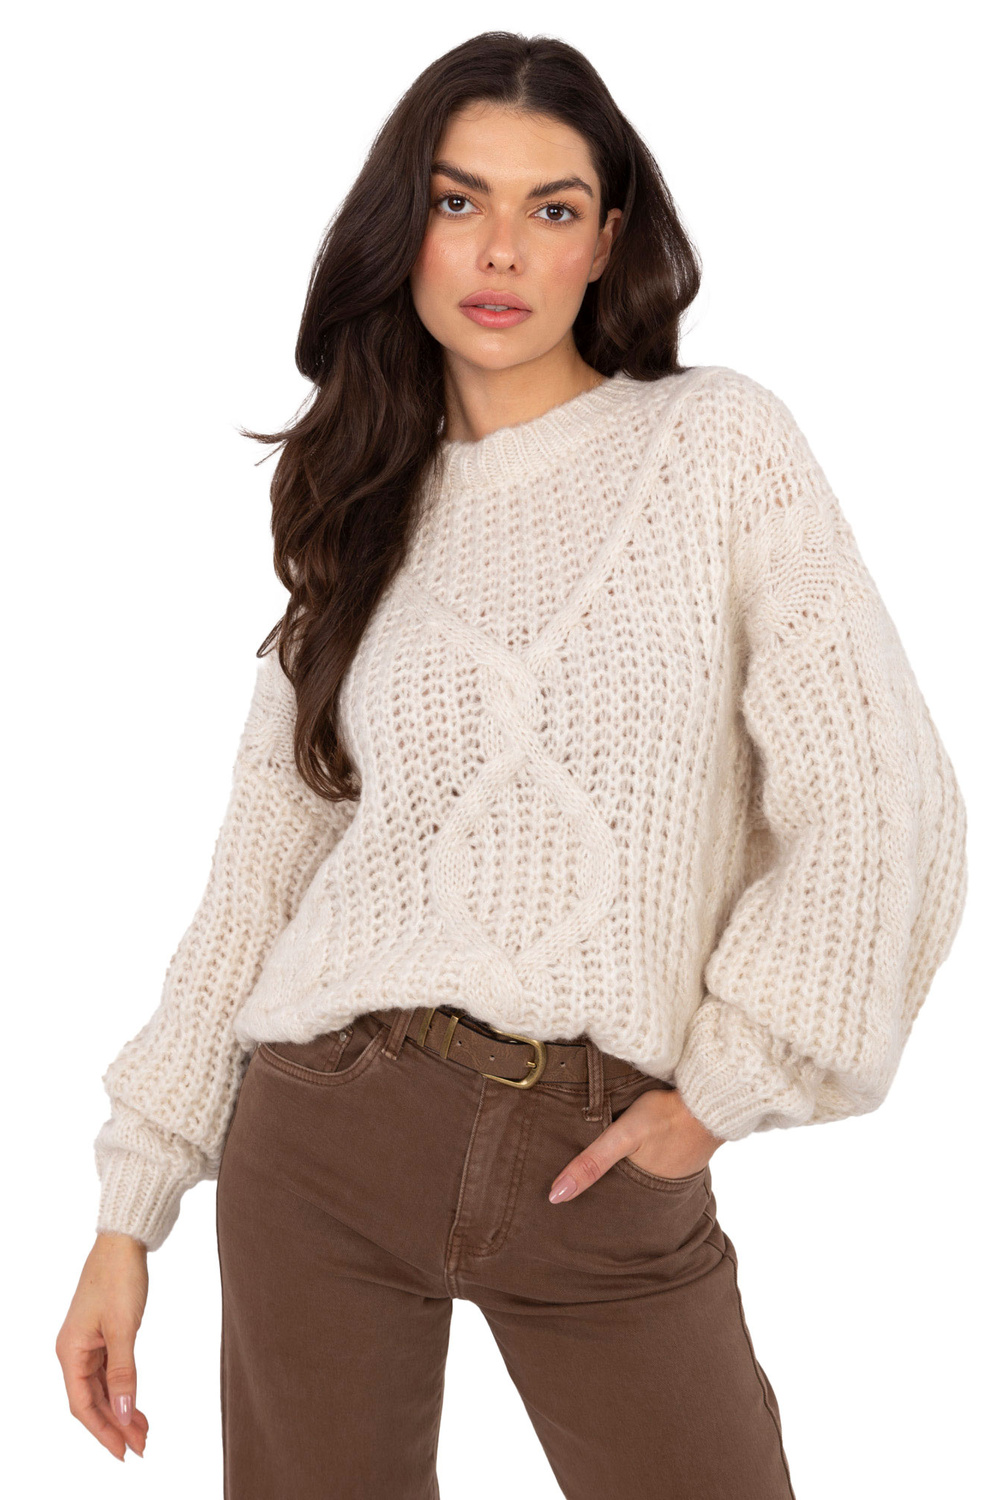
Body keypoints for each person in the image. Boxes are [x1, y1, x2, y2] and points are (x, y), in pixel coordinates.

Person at [55, 30, 968, 1499]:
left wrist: (731, 1087)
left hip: (601, 1154)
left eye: (552, 208)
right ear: (402, 226)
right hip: (324, 1140)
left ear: (606, 243)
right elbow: (259, 878)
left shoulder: (717, 445)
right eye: (458, 199)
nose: (501, 250)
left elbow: (881, 797)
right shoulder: (361, 520)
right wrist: (130, 1209)